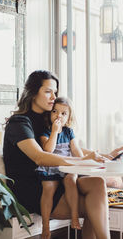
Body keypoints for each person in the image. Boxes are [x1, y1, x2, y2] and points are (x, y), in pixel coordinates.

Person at [3, 70, 123, 239]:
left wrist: (105, 155)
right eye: (48, 91)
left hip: (56, 179)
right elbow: (40, 157)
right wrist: (81, 161)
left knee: (97, 183)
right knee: (95, 206)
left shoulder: (49, 119)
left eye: (55, 92)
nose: (53, 96)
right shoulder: (20, 123)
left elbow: (67, 147)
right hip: (35, 188)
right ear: (33, 93)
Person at [36, 97, 83, 235]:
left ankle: (74, 216)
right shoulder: (45, 131)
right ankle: (45, 226)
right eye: (55, 111)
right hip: (51, 166)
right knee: (48, 188)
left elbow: (76, 150)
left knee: (71, 180)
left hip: (68, 166)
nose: (58, 116)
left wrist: (84, 160)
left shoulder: (69, 132)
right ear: (49, 113)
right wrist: (54, 132)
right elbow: (48, 150)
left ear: (68, 118)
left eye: (63, 113)